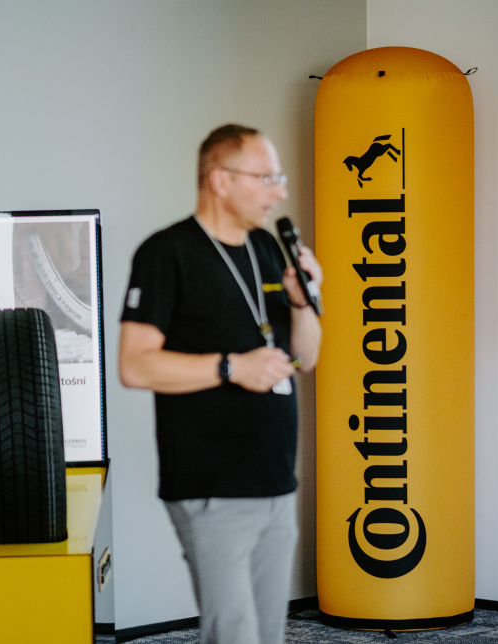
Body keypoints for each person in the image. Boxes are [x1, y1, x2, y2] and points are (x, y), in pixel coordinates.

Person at [118, 124, 322, 644]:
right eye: (266, 178)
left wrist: (302, 302)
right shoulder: (166, 253)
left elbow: (305, 358)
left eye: (279, 178)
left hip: (276, 483)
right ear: (220, 180)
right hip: (212, 489)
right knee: (233, 634)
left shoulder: (267, 249)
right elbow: (134, 366)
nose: (280, 192)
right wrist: (231, 367)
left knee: (268, 636)